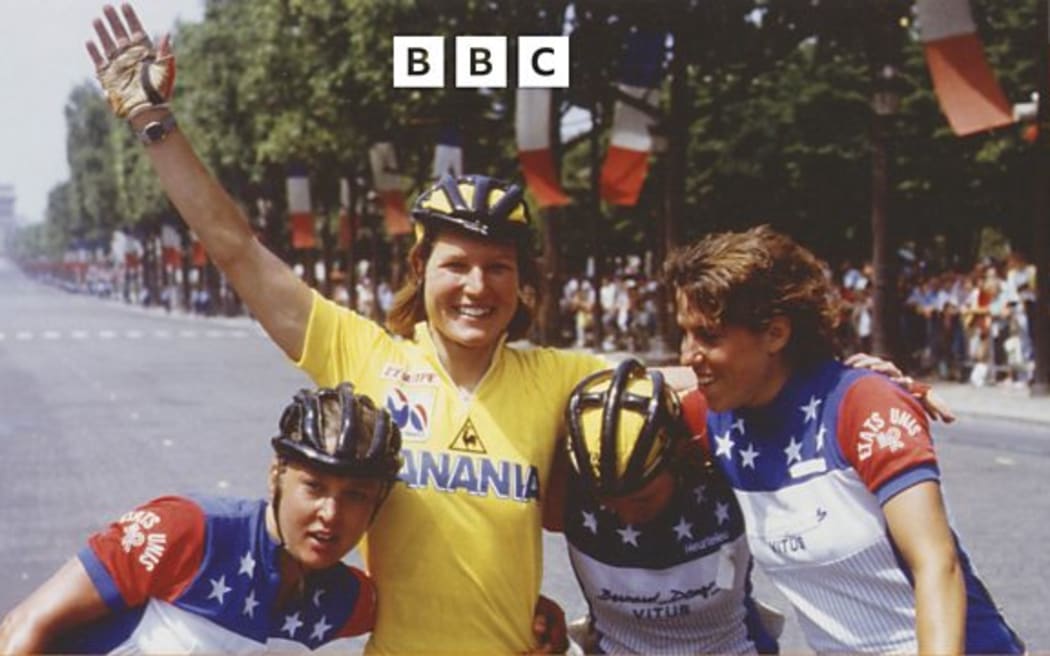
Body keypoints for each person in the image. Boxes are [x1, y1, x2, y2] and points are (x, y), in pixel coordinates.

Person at [86, 5, 603, 652]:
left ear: (522, 278)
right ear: (421, 268)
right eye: (457, 265)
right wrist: (152, 120)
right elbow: (238, 250)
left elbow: (701, 384)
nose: (477, 287)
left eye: (498, 267)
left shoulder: (563, 379)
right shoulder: (364, 357)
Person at [665, 225, 1024, 654]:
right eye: (684, 333)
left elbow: (936, 564)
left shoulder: (862, 403)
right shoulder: (717, 411)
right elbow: (602, 385)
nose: (689, 354)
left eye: (708, 336)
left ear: (776, 334)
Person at [0, 384, 402, 653]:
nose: (331, 514)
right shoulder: (190, 531)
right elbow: (23, 628)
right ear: (276, 475)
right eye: (313, 487)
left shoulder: (346, 599)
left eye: (355, 497)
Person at [546, 358, 779, 654]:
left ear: (680, 457)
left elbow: (759, 380)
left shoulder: (720, 461)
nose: (628, 517)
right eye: (605, 501)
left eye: (642, 499)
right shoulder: (564, 486)